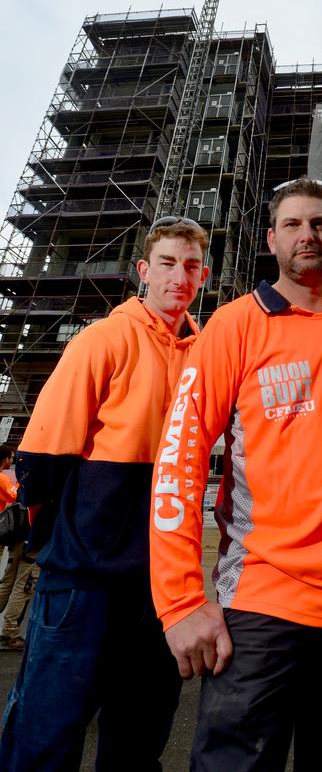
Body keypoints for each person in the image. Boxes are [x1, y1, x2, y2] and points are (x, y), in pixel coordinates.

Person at [150, 177, 322, 772]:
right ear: (271, 240)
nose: (306, 235)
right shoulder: (234, 327)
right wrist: (181, 601)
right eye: (292, 225)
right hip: (263, 606)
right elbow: (180, 458)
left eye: (318, 224)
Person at [0, 217, 209, 772]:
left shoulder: (207, 356)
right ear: (144, 271)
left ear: (204, 275)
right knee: (45, 739)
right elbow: (43, 458)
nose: (178, 276)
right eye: (166, 263)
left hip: (164, 589)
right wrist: (61, 541)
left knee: (138, 744)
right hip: (84, 579)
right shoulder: (104, 338)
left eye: (190, 266)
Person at [0, 444, 37, 653]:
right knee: (23, 585)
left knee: (8, 580)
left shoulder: (23, 479)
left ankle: (8, 629)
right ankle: (10, 632)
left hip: (17, 537)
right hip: (31, 540)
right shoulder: (41, 484)